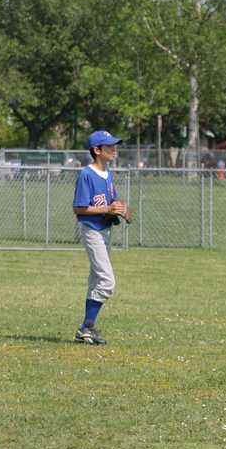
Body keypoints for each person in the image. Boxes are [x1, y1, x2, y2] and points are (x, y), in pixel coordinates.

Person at [71, 130, 127, 345]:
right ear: (97, 150)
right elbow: (79, 208)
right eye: (109, 146)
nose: (114, 149)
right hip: (92, 230)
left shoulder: (108, 174)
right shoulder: (87, 174)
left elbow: (112, 202)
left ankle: (87, 329)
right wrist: (107, 209)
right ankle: (86, 326)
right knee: (107, 281)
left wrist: (121, 209)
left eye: (114, 145)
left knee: (96, 279)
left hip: (105, 230)